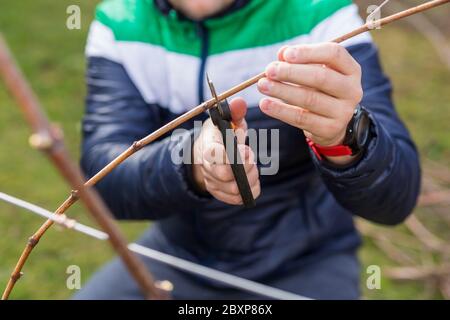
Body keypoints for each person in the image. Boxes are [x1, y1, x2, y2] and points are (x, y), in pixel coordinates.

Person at [74, 0, 421, 299]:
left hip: (305, 263)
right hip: (176, 256)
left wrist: (345, 137)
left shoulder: (319, 14)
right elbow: (103, 182)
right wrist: (191, 162)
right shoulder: (120, 21)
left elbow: (396, 198)